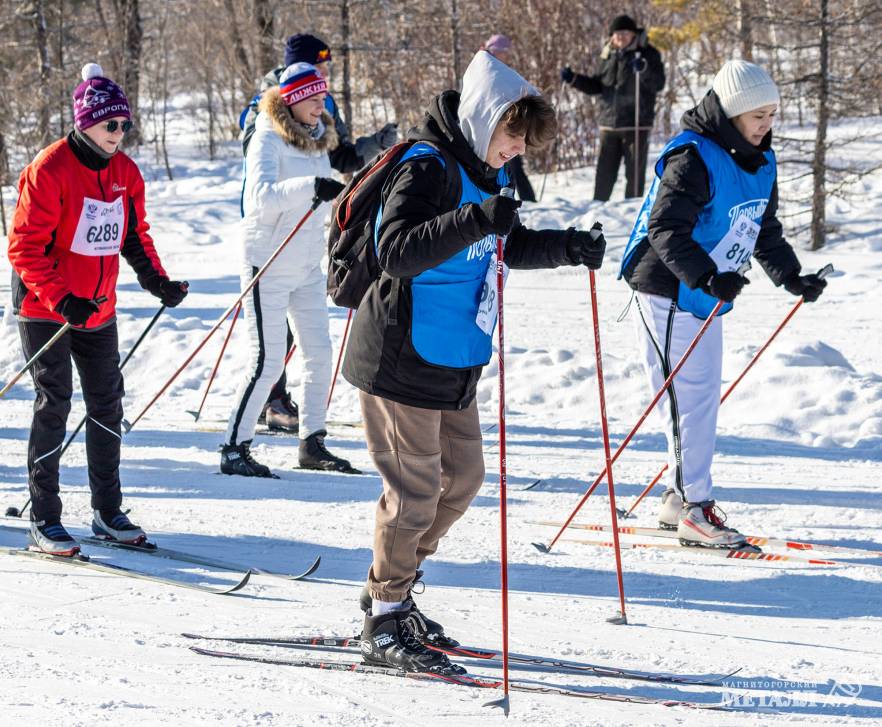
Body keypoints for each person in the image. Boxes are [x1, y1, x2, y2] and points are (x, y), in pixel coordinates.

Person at [342, 51, 607, 673]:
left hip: (453, 355)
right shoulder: (426, 166)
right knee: (412, 493)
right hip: (400, 353)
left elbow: (501, 242)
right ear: (486, 118)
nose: (517, 150)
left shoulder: (488, 174)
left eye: (524, 141)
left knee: (461, 481)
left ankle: (394, 586)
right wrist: (473, 218)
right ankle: (384, 617)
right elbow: (397, 251)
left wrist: (567, 246)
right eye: (513, 135)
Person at [619, 60, 828, 548]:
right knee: (687, 403)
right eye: (759, 115)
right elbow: (664, 228)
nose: (768, 124)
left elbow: (761, 227)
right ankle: (695, 508)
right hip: (667, 288)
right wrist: (708, 276)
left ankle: (680, 498)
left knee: (701, 401)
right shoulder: (692, 156)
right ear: (732, 113)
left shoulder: (758, 160)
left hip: (706, 291)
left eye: (773, 114)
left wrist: (792, 277)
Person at [7, 63, 188, 556]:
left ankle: (108, 511)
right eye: (112, 125)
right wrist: (62, 298)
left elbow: (132, 235)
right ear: (86, 122)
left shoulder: (125, 171)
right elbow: (24, 248)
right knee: (56, 401)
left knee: (107, 402)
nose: (119, 133)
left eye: (125, 125)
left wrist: (156, 280)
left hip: (98, 308)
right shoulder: (50, 168)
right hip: (48, 306)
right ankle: (45, 518)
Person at [242, 33, 399, 434]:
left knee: (314, 346)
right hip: (272, 234)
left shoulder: (321, 103)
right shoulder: (268, 109)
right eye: (320, 62)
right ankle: (266, 406)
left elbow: (337, 156)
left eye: (326, 65)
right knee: (273, 343)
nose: (325, 71)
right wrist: (307, 186)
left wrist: (374, 145)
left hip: (306, 238)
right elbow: (260, 179)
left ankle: (310, 438)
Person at [220, 62, 356, 478]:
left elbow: (316, 201)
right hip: (269, 261)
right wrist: (311, 188)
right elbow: (259, 198)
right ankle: (234, 447)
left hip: (306, 264)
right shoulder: (267, 137)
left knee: (320, 352)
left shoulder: (317, 140)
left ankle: (312, 442)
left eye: (323, 99)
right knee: (269, 359)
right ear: (294, 99)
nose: (322, 106)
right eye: (315, 99)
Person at [561, 14, 665, 201]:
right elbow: (597, 86)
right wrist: (574, 79)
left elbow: (658, 84)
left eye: (625, 33)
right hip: (609, 124)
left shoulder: (648, 53)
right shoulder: (607, 55)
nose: (620, 37)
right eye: (616, 34)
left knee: (634, 174)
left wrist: (644, 70)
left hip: (636, 123)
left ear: (634, 34)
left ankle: (631, 209)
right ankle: (598, 209)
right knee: (604, 173)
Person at [479, 33, 537, 202]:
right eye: (504, 51)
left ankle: (521, 200)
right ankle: (522, 200)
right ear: (495, 50)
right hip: (496, 126)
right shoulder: (489, 68)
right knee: (510, 166)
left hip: (506, 124)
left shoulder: (495, 67)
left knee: (511, 166)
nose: (506, 55)